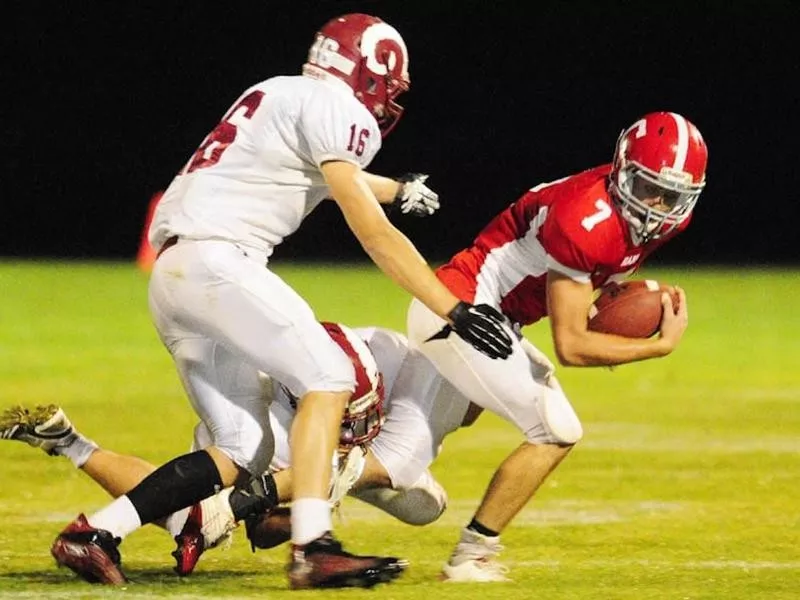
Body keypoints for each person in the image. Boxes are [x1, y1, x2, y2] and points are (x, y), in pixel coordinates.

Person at [47, 12, 513, 589]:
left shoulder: (274, 90)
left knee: (245, 446)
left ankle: (93, 534)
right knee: (329, 375)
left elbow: (320, 172)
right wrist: (453, 308)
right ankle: (313, 547)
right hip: (222, 261)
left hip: (173, 275)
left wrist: (397, 188)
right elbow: (371, 231)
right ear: (370, 77)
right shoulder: (341, 112)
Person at [406, 111, 707, 581]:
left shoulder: (654, 220)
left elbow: (589, 296)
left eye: (672, 196)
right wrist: (657, 346)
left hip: (490, 317)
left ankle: (280, 498)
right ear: (622, 168)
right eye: (648, 187)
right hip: (462, 312)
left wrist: (619, 311)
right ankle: (472, 556)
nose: (657, 204)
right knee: (556, 429)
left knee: (402, 462)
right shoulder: (586, 218)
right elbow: (571, 343)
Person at [1, 322, 474, 576]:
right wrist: (291, 510)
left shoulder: (387, 351)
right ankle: (71, 444)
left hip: (363, 459)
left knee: (426, 505)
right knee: (189, 514)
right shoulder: (268, 419)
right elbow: (262, 530)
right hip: (299, 454)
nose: (354, 421)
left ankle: (68, 443)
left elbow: (455, 403)